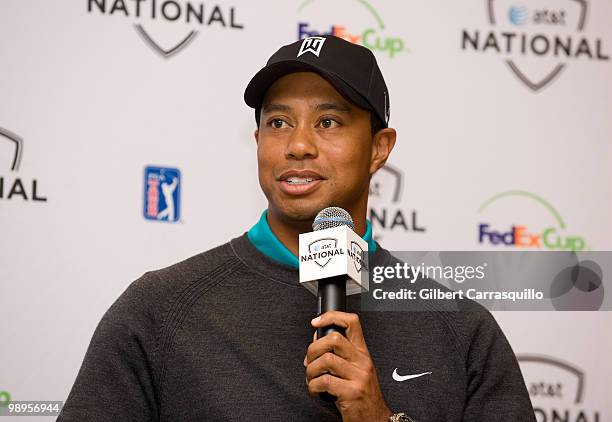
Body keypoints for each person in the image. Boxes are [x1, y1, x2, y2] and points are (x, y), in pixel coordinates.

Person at [57, 35, 535, 421]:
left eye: (328, 121)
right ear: (258, 140)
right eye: (279, 122)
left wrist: (378, 418)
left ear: (378, 148)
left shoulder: (460, 330)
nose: (299, 144)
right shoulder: (157, 311)